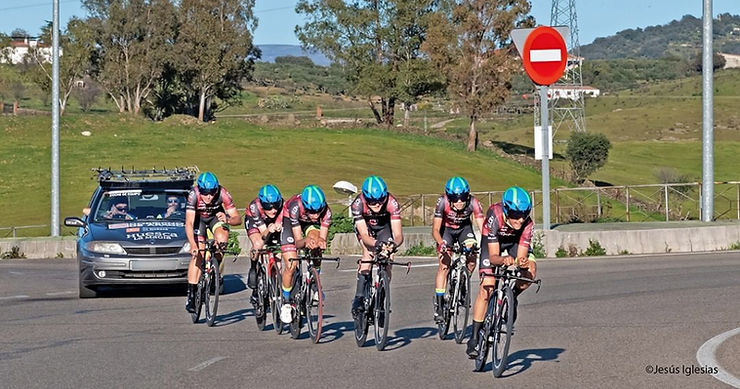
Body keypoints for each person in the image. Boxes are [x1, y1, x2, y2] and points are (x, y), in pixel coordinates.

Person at [466, 186, 537, 358]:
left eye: (524, 214)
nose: (520, 220)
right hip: (493, 243)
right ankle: (474, 337)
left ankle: (511, 296)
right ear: (506, 210)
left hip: (514, 242)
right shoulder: (494, 215)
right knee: (487, 287)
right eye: (515, 215)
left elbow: (520, 257)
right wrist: (503, 260)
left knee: (530, 272)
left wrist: (522, 263)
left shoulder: (527, 224)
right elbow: (493, 257)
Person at [184, 172, 243, 313]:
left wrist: (228, 219)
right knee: (197, 255)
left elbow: (238, 219)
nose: (209, 196)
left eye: (212, 193)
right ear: (200, 190)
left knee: (222, 240)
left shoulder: (223, 193)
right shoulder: (194, 195)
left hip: (215, 218)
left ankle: (214, 270)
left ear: (216, 190)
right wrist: (193, 245)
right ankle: (191, 296)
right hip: (199, 222)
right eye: (205, 193)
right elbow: (189, 223)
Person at [431, 176, 484, 322]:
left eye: (462, 198)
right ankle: (440, 303)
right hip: (446, 231)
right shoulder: (442, 202)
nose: (459, 202)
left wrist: (486, 242)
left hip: (464, 230)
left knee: (472, 258)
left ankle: (462, 283)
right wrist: (441, 243)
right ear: (449, 197)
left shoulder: (473, 202)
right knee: (444, 265)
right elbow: (435, 229)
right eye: (455, 198)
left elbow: (483, 227)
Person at [350, 176, 404, 317]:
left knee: (388, 260)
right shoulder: (358, 204)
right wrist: (376, 244)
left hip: (383, 227)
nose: (377, 205)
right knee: (368, 254)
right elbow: (365, 236)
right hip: (366, 229)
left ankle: (381, 298)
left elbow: (398, 235)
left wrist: (392, 245)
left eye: (381, 201)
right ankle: (359, 297)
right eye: (373, 202)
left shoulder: (392, 203)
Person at [279, 185, 332, 324]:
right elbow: (297, 242)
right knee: (292, 264)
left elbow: (322, 237)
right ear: (305, 206)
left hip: (308, 225)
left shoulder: (326, 211)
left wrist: (319, 243)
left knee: (316, 245)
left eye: (318, 212)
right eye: (312, 212)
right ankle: (285, 302)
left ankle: (314, 283)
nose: (316, 215)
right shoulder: (295, 207)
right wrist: (306, 241)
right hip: (290, 224)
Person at [244, 184, 284, 304]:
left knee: (279, 255)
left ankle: (276, 283)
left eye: (276, 206)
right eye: (268, 207)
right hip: (255, 223)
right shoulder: (254, 207)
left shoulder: (283, 205)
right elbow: (263, 235)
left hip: (273, 223)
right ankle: (253, 267)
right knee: (258, 244)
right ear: (262, 204)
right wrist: (269, 229)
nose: (273, 210)